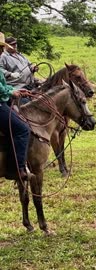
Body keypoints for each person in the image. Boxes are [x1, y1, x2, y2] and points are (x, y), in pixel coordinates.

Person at [0, 32, 30, 180]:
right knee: (23, 129)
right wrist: (12, 91)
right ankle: (16, 169)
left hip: (6, 98)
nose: (1, 51)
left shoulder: (21, 56)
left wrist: (13, 90)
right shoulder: (3, 59)